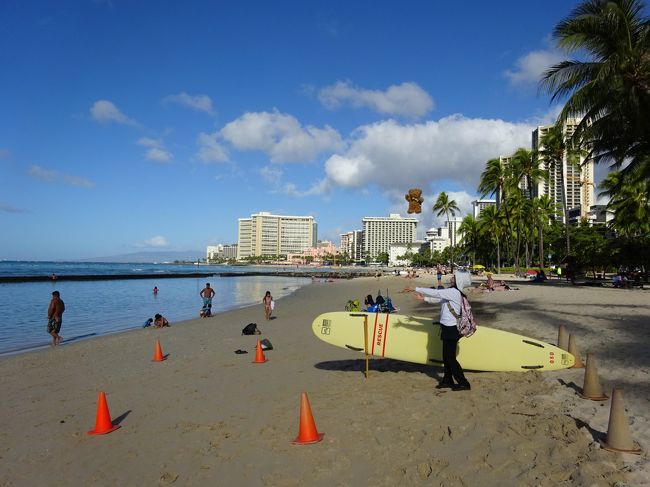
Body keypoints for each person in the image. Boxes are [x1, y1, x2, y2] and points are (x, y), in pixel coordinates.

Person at [412, 276, 471, 391]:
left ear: (458, 281)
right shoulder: (451, 292)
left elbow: (436, 293)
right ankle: (447, 380)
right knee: (446, 356)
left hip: (451, 328)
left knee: (450, 358)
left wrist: (416, 288)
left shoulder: (453, 292)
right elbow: (438, 299)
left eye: (454, 277)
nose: (451, 278)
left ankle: (464, 383)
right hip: (447, 327)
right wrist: (424, 299)